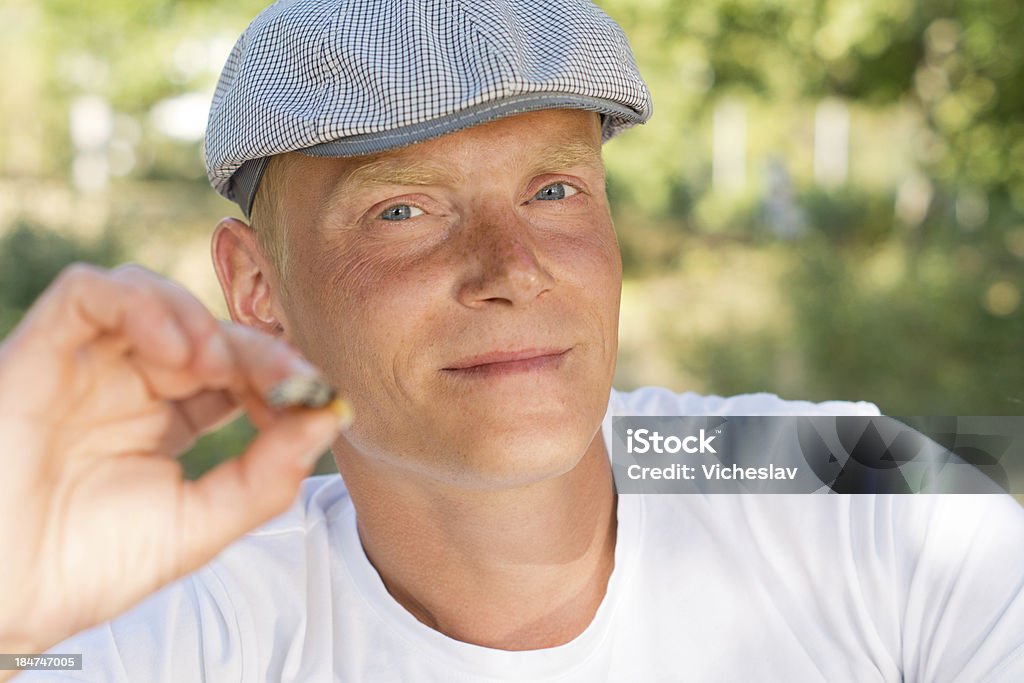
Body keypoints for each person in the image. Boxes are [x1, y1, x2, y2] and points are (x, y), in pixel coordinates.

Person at [2, 0, 1023, 680]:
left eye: (553, 189)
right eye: (402, 210)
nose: (514, 267)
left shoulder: (837, 483)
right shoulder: (173, 619)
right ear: (256, 285)